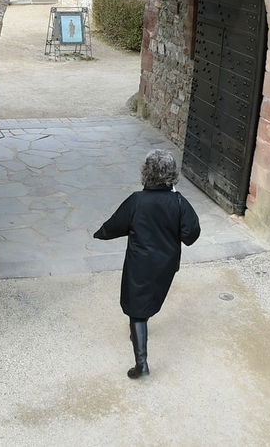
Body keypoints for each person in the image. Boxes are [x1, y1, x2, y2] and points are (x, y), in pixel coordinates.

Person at [93, 149, 200, 378]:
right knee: (148, 301)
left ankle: (141, 363)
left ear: (146, 172)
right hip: (166, 264)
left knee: (136, 309)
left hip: (140, 263)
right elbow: (191, 235)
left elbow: (115, 225)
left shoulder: (137, 201)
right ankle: (138, 331)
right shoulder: (179, 202)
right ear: (172, 174)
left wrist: (100, 233)